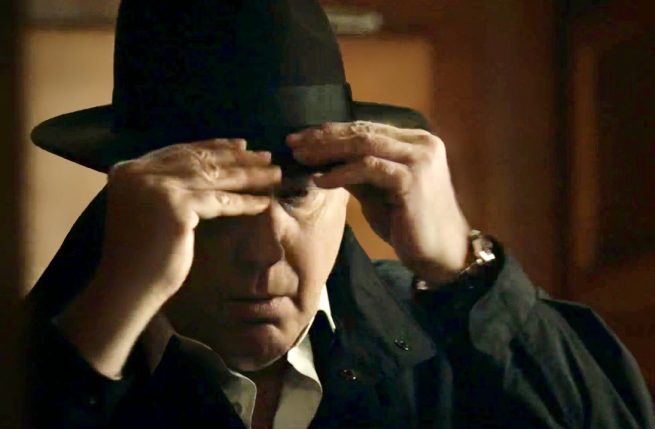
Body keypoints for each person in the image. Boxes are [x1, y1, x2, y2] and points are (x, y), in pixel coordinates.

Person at [27, 1, 654, 428]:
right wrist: (97, 329)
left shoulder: (449, 339)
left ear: (349, 184)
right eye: (219, 203)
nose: (266, 251)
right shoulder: (46, 351)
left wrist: (466, 271)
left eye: (297, 193)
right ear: (137, 206)